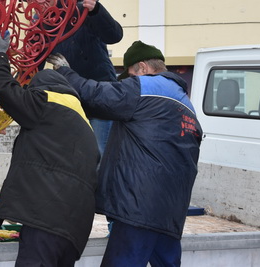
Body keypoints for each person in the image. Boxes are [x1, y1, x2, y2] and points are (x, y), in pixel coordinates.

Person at [47, 40, 202, 267]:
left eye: (129, 75)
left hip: (140, 206)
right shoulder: (186, 104)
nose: (129, 82)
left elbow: (97, 94)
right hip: (171, 210)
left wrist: (65, 72)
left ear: (142, 68)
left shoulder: (146, 87)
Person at [0, 32, 100, 266]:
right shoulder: (81, 118)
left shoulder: (44, 103)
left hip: (46, 223)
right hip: (75, 229)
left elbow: (5, 89)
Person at [23, 0, 123, 154]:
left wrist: (96, 10)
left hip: (100, 94)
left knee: (100, 152)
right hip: (70, 98)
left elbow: (114, 35)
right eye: (29, 0)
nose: (34, 6)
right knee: (75, 154)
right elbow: (30, 68)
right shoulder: (40, 26)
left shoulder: (81, 10)